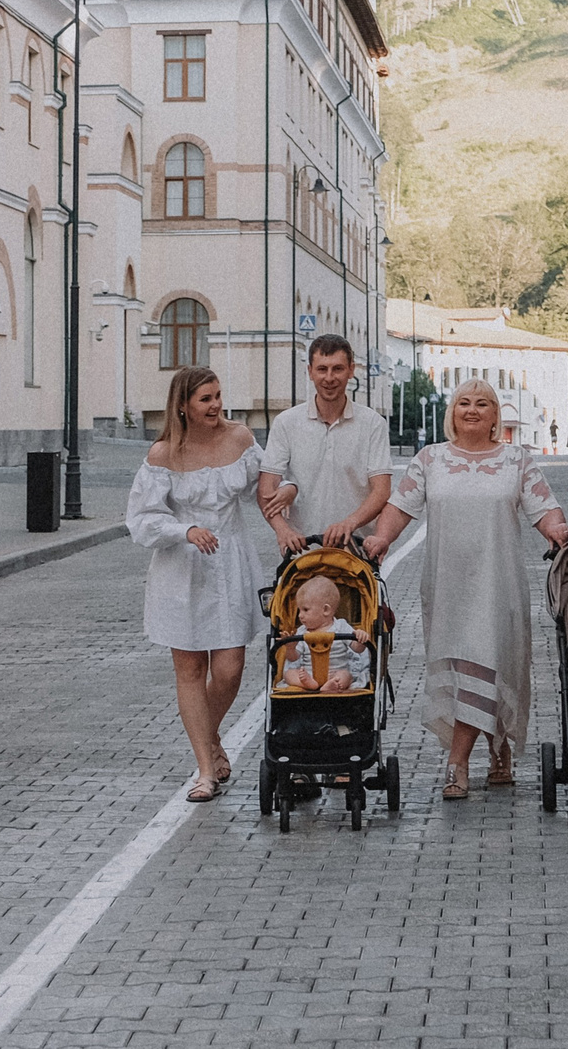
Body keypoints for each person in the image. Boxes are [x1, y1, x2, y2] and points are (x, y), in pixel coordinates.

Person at [361, 379, 568, 801]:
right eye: (463, 403)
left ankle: (457, 762)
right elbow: (400, 507)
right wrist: (382, 539)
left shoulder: (517, 460)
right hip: (447, 582)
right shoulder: (430, 459)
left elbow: (544, 508)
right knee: (465, 666)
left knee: (488, 662)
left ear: (496, 416)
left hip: (499, 582)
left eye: (482, 404)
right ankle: (498, 747)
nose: (471, 410)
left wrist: (558, 530)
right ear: (451, 412)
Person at [127, 366, 273, 803]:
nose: (216, 405)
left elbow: (266, 486)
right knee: (190, 670)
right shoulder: (162, 454)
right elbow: (142, 519)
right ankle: (206, 769)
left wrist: (286, 493)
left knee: (228, 670)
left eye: (218, 395)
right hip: (181, 570)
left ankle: (208, 738)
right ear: (184, 405)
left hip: (229, 563)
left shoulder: (241, 438)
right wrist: (184, 530)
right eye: (206, 398)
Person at [257, 334, 392, 549]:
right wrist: (283, 531)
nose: (329, 378)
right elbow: (266, 488)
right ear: (310, 371)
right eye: (322, 369)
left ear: (351, 370)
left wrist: (349, 523)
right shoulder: (286, 422)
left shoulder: (373, 424)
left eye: (337, 369)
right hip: (302, 549)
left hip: (356, 549)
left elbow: (382, 490)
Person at [274, 574, 372, 692]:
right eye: (299, 610)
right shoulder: (302, 631)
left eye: (305, 610)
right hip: (308, 675)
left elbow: (357, 649)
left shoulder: (341, 627)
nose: (300, 615)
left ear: (326, 610)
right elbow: (293, 658)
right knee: (289, 673)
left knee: (346, 674)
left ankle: (333, 684)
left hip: (334, 673)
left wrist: (360, 638)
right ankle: (308, 684)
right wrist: (290, 648)